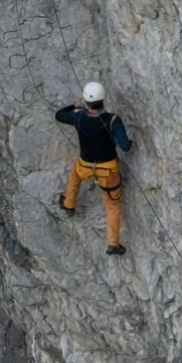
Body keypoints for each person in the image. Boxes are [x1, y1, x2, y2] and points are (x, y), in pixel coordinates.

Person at [56, 82, 132, 255]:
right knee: (112, 205)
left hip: (85, 168)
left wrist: (75, 106)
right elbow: (125, 146)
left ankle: (69, 204)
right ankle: (113, 244)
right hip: (107, 172)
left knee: (74, 175)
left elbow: (59, 115)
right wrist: (129, 142)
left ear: (86, 101)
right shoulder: (112, 120)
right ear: (103, 99)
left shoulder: (78, 117)